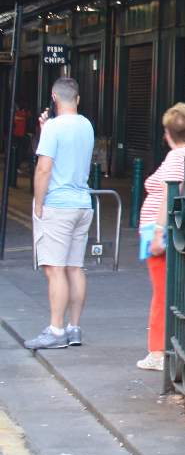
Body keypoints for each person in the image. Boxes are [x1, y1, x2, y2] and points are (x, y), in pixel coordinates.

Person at [23, 78, 95, 351]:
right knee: (75, 268)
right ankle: (74, 328)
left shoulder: (54, 127)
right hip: (83, 203)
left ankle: (55, 330)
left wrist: (38, 204)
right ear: (77, 99)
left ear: (54, 97)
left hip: (58, 205)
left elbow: (44, 169)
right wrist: (47, 130)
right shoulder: (86, 125)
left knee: (54, 269)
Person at [137, 103, 185, 372]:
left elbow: (169, 193)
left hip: (161, 232)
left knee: (162, 294)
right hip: (173, 232)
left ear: (167, 132)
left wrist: (159, 234)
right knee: (169, 292)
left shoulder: (177, 158)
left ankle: (158, 351)